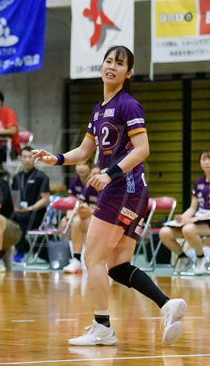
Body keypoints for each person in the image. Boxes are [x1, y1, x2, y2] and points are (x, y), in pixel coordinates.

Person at [33, 45, 186, 346]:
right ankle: (167, 304)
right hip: (132, 193)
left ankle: (102, 327)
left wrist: (109, 174)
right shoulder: (99, 109)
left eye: (120, 63)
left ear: (129, 73)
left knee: (92, 258)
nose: (112, 66)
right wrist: (57, 158)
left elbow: (142, 149)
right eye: (108, 61)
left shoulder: (129, 105)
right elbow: (84, 151)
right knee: (117, 266)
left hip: (123, 190)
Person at [159, 150, 210, 275]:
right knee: (164, 232)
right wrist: (182, 217)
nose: (206, 162)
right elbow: (192, 208)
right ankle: (183, 258)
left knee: (188, 229)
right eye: (203, 159)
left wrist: (194, 219)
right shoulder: (198, 182)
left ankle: (201, 259)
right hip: (197, 221)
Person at [10, 146, 50, 263]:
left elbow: (45, 199)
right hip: (20, 212)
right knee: (9, 217)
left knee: (21, 218)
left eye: (30, 157)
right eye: (24, 157)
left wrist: (30, 208)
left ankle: (20, 251)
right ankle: (2, 253)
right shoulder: (17, 177)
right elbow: (15, 196)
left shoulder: (42, 176)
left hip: (36, 213)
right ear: (20, 159)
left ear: (34, 158)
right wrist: (16, 207)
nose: (27, 159)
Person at [62, 162, 99, 274]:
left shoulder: (110, 189)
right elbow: (79, 205)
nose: (95, 177)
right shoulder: (88, 187)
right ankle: (76, 259)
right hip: (91, 217)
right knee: (76, 221)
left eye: (98, 174)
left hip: (110, 221)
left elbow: (110, 211)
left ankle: (93, 259)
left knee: (87, 221)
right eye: (93, 174)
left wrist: (91, 211)